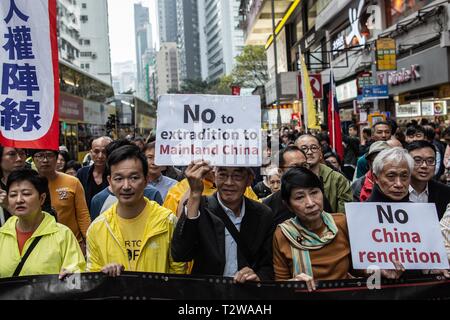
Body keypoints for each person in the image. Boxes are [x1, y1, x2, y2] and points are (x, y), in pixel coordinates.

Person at [273, 167, 405, 290]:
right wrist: (293, 283)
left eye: (314, 193)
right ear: (288, 205)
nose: (311, 203)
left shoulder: (341, 222)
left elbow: (357, 267)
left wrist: (378, 270)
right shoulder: (283, 234)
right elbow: (280, 284)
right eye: (300, 197)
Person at [86, 145, 186, 276]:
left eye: (134, 178)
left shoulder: (168, 222)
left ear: (146, 180)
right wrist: (103, 274)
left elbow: (178, 275)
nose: (126, 186)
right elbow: (93, 278)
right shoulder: (98, 228)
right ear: (110, 181)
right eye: (119, 179)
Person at [171, 161, 274, 282]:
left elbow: (268, 266)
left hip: (246, 291)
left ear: (249, 180)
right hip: (208, 292)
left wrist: (258, 277)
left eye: (237, 176)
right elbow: (180, 254)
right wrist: (194, 193)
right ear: (214, 176)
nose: (229, 183)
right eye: (223, 175)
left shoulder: (262, 214)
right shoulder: (200, 207)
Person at [0, 169, 85, 278]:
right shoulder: (2, 235)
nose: (19, 200)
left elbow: (78, 279)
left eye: (26, 194)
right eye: (13, 195)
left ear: (41, 198)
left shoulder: (63, 235)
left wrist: (72, 275)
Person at [31, 148, 91, 251]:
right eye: (40, 156)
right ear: (33, 159)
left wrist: (89, 242)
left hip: (72, 245)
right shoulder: (29, 185)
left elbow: (83, 215)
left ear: (56, 158)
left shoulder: (73, 182)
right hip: (40, 247)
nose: (45, 160)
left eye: (49, 155)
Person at [295, 134, 352, 213]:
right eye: (304, 149)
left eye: (314, 148)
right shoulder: (290, 179)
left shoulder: (337, 179)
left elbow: (344, 214)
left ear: (321, 153)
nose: (309, 152)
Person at [406, 140, 450, 220]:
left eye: (430, 161)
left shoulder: (446, 192)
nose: (424, 166)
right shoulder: (395, 190)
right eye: (417, 161)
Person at [76, 136, 113, 209]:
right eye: (96, 151)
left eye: (104, 152)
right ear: (90, 153)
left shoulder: (115, 174)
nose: (100, 156)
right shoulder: (82, 173)